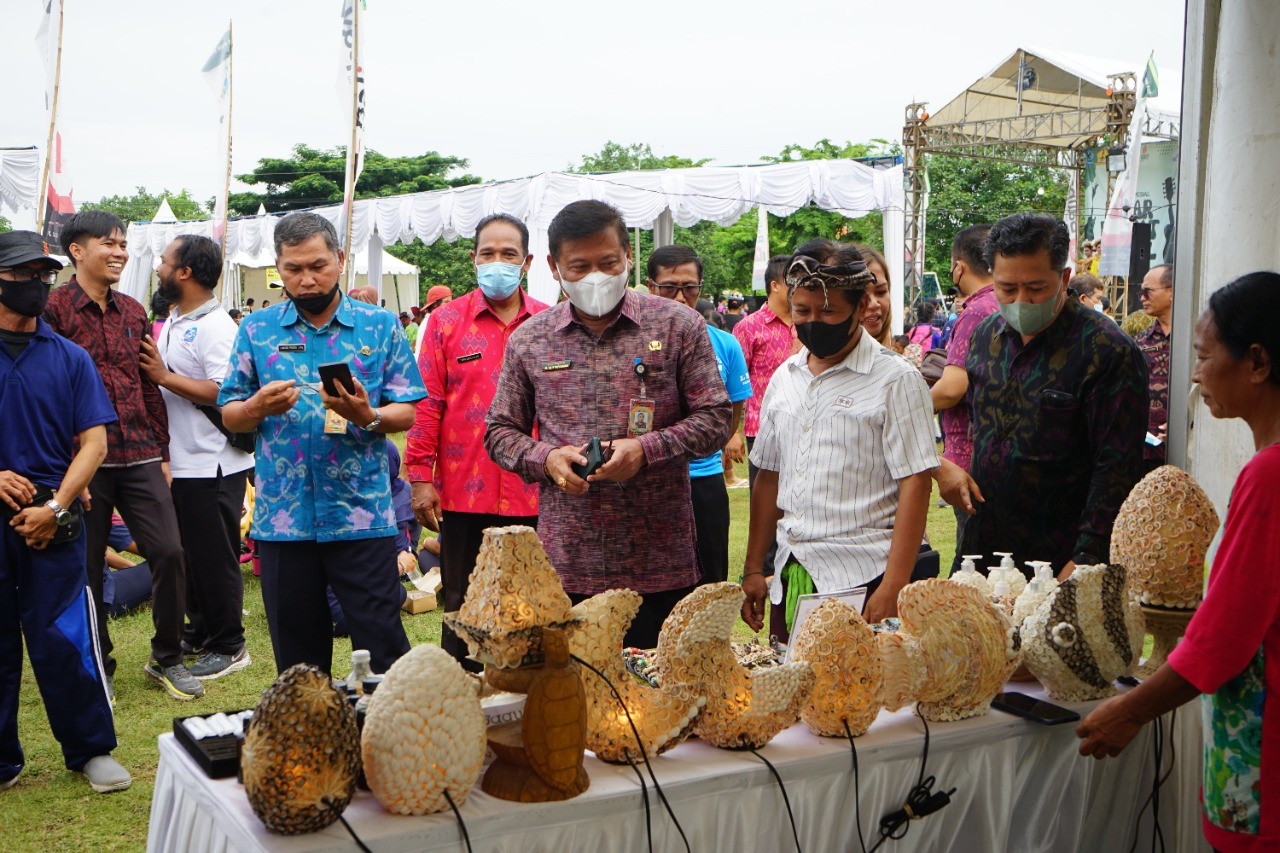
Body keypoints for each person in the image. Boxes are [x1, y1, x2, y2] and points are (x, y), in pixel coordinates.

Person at [1076, 271, 1280, 853]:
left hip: (1264, 761)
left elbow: (1225, 636)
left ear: (1258, 362)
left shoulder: (1269, 477)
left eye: (1206, 356)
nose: (1193, 373)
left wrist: (1131, 710)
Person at [485, 200, 731, 648]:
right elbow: (499, 431)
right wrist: (547, 458)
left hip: (661, 559)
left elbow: (716, 419)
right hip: (567, 560)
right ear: (554, 269)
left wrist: (647, 449)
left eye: (609, 262)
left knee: (663, 693)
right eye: (579, 266)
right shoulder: (530, 339)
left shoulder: (679, 326)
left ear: (629, 258)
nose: (596, 276)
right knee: (576, 698)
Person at [218, 212, 426, 676]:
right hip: (283, 522)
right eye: (293, 269)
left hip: (361, 517)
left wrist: (367, 415)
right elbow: (228, 410)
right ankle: (314, 742)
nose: (307, 279)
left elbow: (407, 409)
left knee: (383, 646)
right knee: (299, 660)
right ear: (279, 268)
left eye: (318, 266)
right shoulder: (257, 330)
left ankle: (394, 743)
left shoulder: (379, 327)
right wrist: (255, 407)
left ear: (339, 259)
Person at [740, 240, 938, 637]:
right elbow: (769, 477)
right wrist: (753, 568)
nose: (814, 321)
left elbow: (915, 483)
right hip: (791, 574)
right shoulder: (785, 378)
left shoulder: (897, 379)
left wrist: (893, 585)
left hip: (865, 575)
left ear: (861, 308)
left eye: (828, 311)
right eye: (802, 311)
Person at [42, 211, 195, 701]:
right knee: (86, 567)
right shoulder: (53, 310)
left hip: (140, 451)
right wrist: (69, 465)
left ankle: (167, 656)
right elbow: (49, 392)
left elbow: (149, 384)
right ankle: (97, 662)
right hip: (83, 458)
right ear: (77, 251)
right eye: (107, 243)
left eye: (123, 243)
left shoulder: (133, 311)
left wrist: (164, 451)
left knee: (169, 550)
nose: (120, 252)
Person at [0, 230, 131, 793]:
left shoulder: (70, 357)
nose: (35, 284)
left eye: (42, 274)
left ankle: (90, 749)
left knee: (67, 635)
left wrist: (54, 505)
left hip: (55, 518)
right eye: (22, 274)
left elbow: (95, 443)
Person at [949, 214, 1147, 577]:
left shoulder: (1107, 351)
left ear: (1065, 279)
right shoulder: (985, 336)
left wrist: (1086, 557)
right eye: (1007, 289)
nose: (1021, 301)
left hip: (1061, 559)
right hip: (983, 551)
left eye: (1037, 288)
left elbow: (1117, 470)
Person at [405, 213, 547, 669]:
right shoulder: (445, 323)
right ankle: (462, 709)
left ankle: (529, 712)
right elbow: (426, 403)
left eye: (508, 254)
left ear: (525, 261)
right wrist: (420, 478)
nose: (497, 263)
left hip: (538, 491)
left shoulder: (550, 322)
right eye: (488, 254)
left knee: (535, 612)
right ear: (473, 259)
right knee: (464, 613)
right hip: (465, 493)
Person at [139, 235, 254, 681]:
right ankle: (202, 628)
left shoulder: (215, 326)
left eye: (165, 260)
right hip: (182, 461)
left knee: (215, 556)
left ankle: (230, 644)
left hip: (213, 461)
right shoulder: (176, 317)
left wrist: (163, 377)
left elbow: (226, 391)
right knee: (189, 554)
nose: (158, 267)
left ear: (184, 272)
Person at [646, 245, 752, 586]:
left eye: (689, 288)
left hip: (704, 481)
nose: (680, 297)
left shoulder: (724, 344)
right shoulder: (633, 342)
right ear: (651, 287)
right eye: (669, 287)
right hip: (649, 481)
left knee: (710, 583)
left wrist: (717, 444)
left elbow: (734, 407)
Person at [930, 225, 997, 568]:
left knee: (970, 563)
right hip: (1000, 456)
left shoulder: (974, 312)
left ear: (959, 267)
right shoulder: (1006, 302)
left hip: (968, 460)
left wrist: (913, 405)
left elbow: (954, 387)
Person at [1136, 264, 1173, 471]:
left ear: (1171, 292)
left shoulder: (1196, 340)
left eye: (1147, 291)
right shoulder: (1140, 342)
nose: (1142, 297)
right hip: (1147, 453)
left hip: (1191, 450)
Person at [856, 247, 894, 347]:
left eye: (881, 292)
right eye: (861, 294)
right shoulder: (813, 359)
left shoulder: (898, 361)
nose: (873, 304)